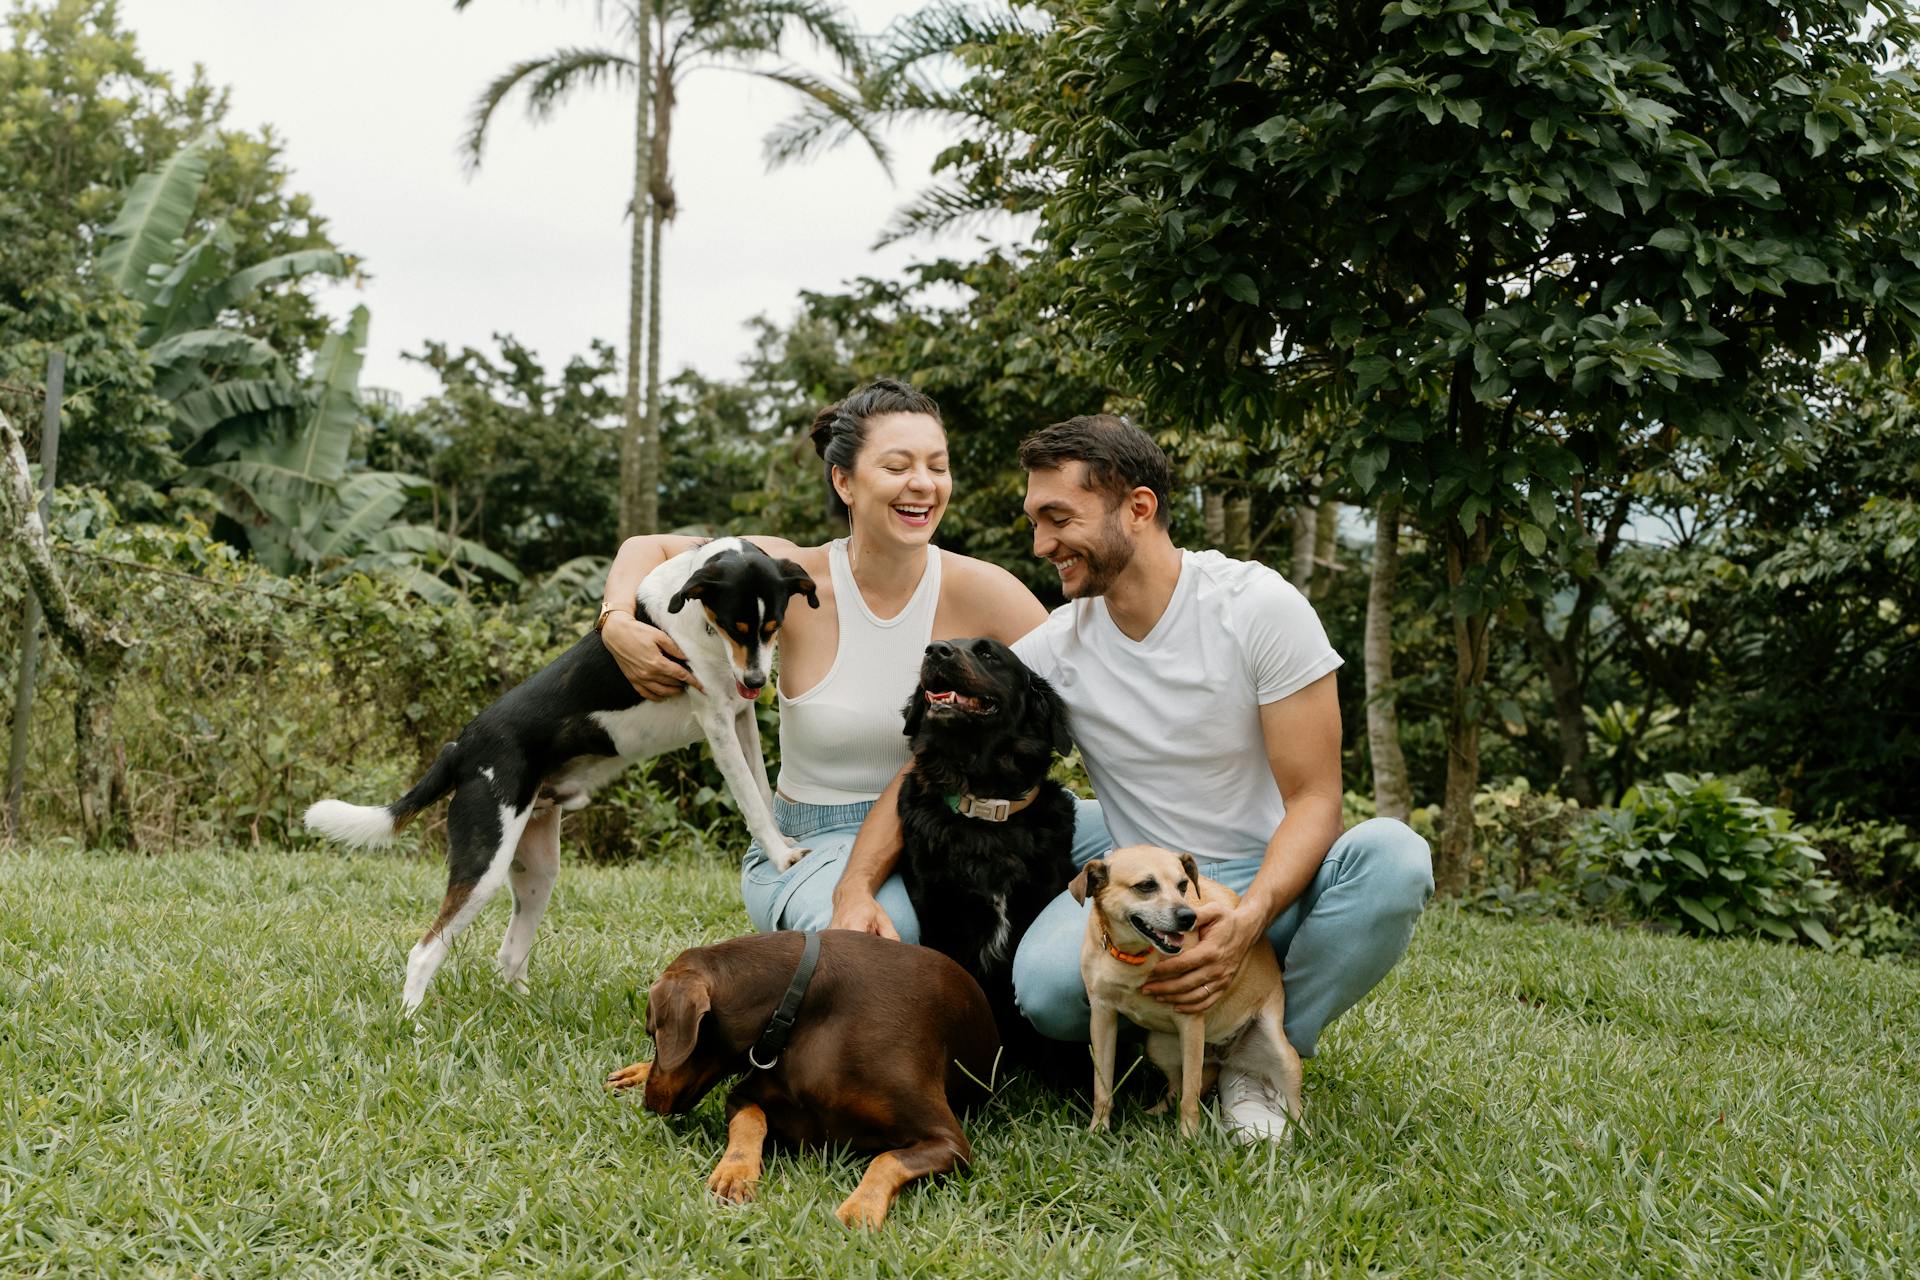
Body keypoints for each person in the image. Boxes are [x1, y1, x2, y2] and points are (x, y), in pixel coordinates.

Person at [830, 414, 1433, 1142]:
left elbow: (1315, 798)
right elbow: (925, 764)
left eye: (1058, 518)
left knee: (1396, 860)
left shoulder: (1257, 607)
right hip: (1148, 884)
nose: (1041, 544)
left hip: (1271, 875)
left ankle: (1255, 1055)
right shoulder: (1060, 645)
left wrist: (1243, 922)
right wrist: (855, 887)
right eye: (1035, 520)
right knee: (1048, 991)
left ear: (1138, 509)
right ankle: (1175, 1044)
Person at [597, 378, 1112, 933]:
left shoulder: (985, 589)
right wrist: (616, 621)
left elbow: (1091, 686)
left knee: (1152, 837)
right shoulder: (786, 575)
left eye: (937, 467)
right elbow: (647, 548)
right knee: (885, 948)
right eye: (897, 467)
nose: (923, 484)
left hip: (960, 828)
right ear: (844, 480)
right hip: (820, 841)